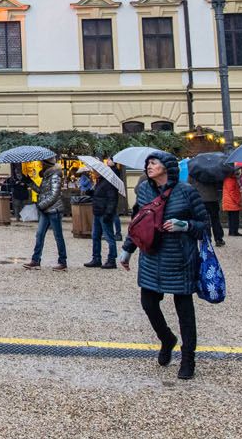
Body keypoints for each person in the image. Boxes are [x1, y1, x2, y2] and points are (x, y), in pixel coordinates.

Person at [119, 151, 207, 380]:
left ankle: (188, 359)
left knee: (184, 311)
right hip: (151, 256)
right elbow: (138, 223)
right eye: (148, 163)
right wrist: (128, 249)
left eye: (153, 163)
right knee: (148, 303)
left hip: (179, 257)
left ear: (166, 167)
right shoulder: (145, 190)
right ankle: (167, 338)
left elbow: (204, 224)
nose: (149, 166)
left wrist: (185, 225)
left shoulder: (186, 191)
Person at [24, 163, 68, 271]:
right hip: (46, 210)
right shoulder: (46, 177)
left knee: (58, 236)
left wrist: (41, 205)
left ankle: (62, 262)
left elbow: (55, 194)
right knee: (39, 234)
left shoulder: (55, 176)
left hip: (53, 210)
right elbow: (41, 191)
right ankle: (36, 260)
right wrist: (29, 182)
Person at [84, 170, 120, 269]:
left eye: (94, 171)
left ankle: (112, 259)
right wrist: (91, 192)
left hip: (104, 213)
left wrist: (109, 213)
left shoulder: (109, 183)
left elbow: (112, 199)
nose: (93, 173)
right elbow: (99, 196)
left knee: (109, 237)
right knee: (95, 236)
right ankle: (96, 258)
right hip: (98, 212)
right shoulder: (99, 182)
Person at [192, 170, 225, 246]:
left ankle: (207, 239)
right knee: (215, 219)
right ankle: (219, 239)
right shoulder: (213, 172)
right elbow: (219, 185)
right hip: (213, 199)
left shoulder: (194, 172)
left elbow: (190, 184)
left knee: (205, 220)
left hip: (201, 199)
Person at [221, 171, 242, 238]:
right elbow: (232, 192)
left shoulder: (228, 179)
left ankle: (232, 231)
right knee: (234, 218)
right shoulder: (231, 180)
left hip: (229, 202)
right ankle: (234, 231)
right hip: (232, 202)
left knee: (231, 218)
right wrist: (238, 201)